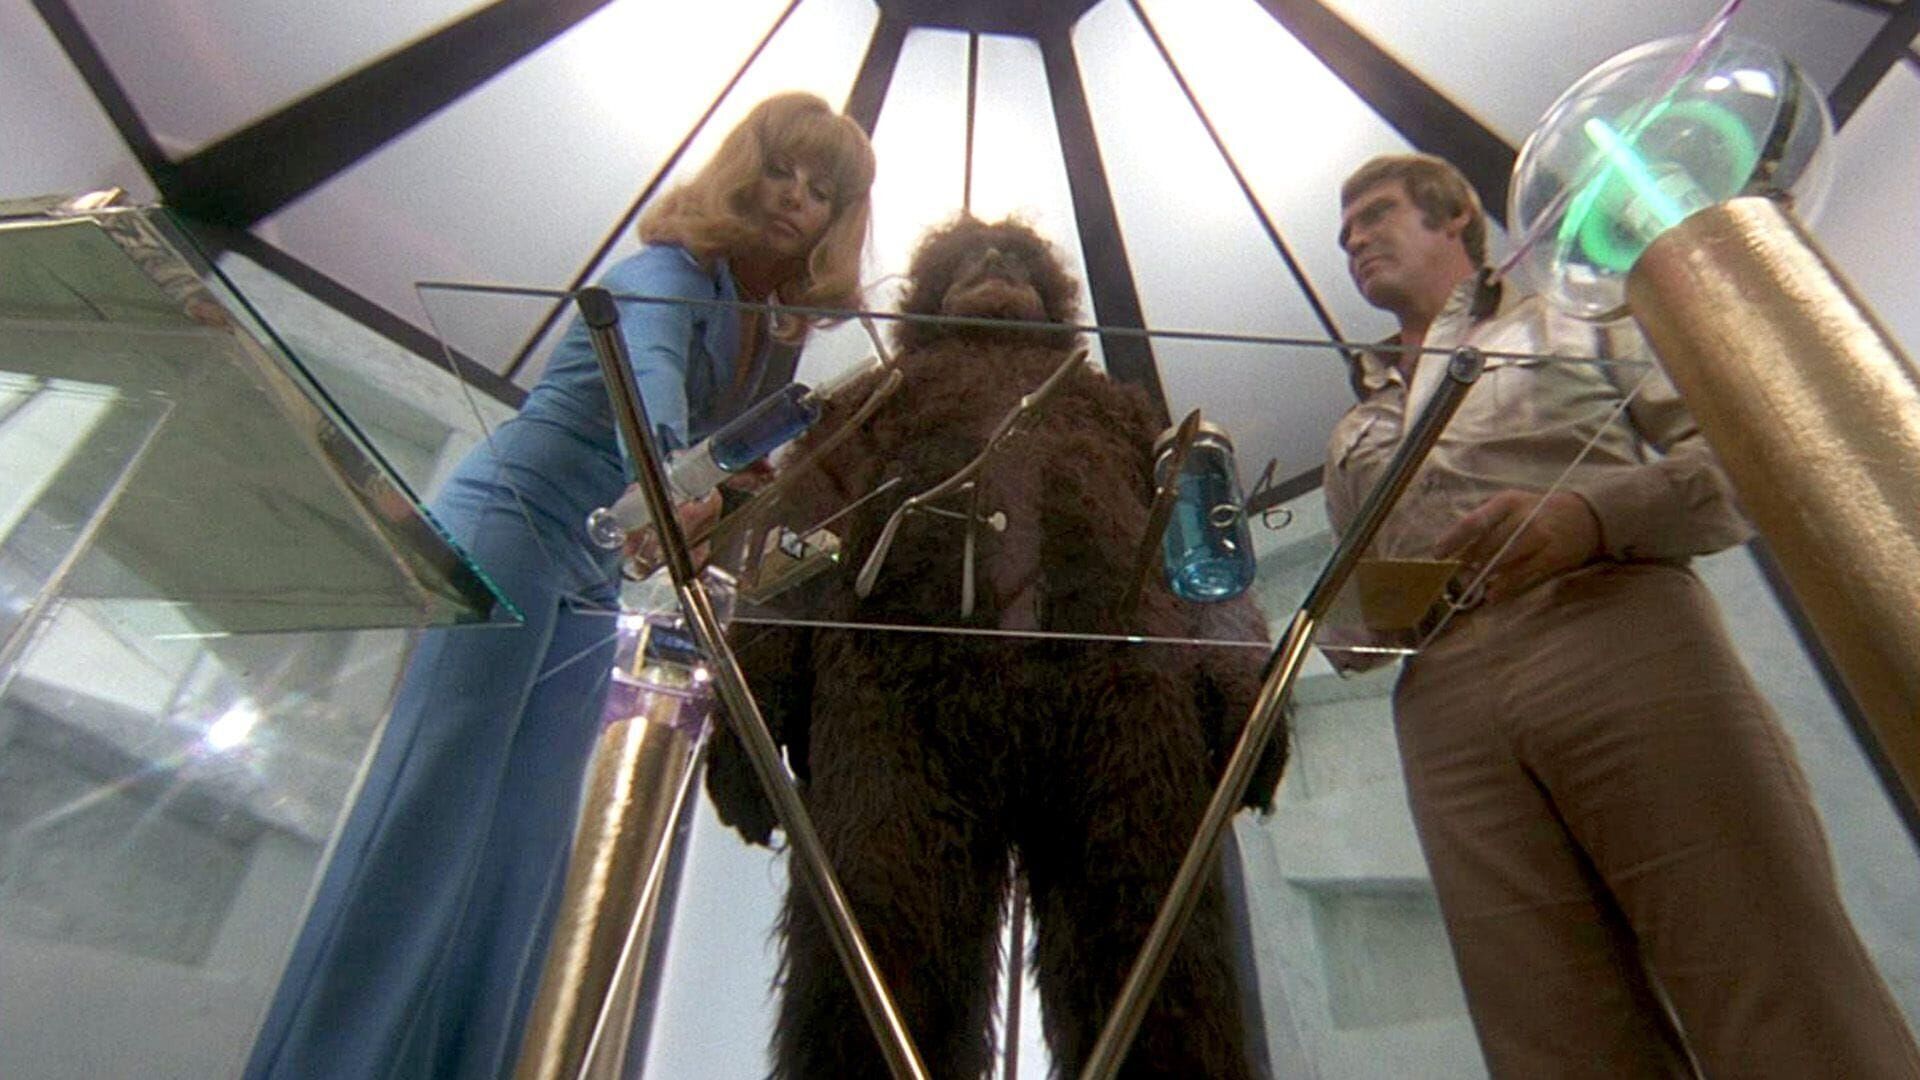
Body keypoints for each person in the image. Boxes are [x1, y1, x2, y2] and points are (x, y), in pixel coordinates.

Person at [245, 92, 875, 1080]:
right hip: (509, 528)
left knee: (527, 844)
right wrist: (681, 486)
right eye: (781, 170)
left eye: (822, 190)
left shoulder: (766, 329)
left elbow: (713, 467)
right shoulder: (667, 272)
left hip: (590, 573)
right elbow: (649, 394)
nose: (796, 197)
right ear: (741, 171)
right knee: (431, 806)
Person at [1323, 152, 1920, 1078]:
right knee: (1547, 1035)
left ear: (1454, 217)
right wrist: (1350, 629)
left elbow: (1746, 460)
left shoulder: (1575, 315)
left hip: (1609, 621)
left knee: (1761, 966)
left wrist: (1588, 515)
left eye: (1375, 212)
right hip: (1439, 704)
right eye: (1344, 232)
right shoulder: (1354, 429)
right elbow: (1353, 591)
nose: (1353, 238)